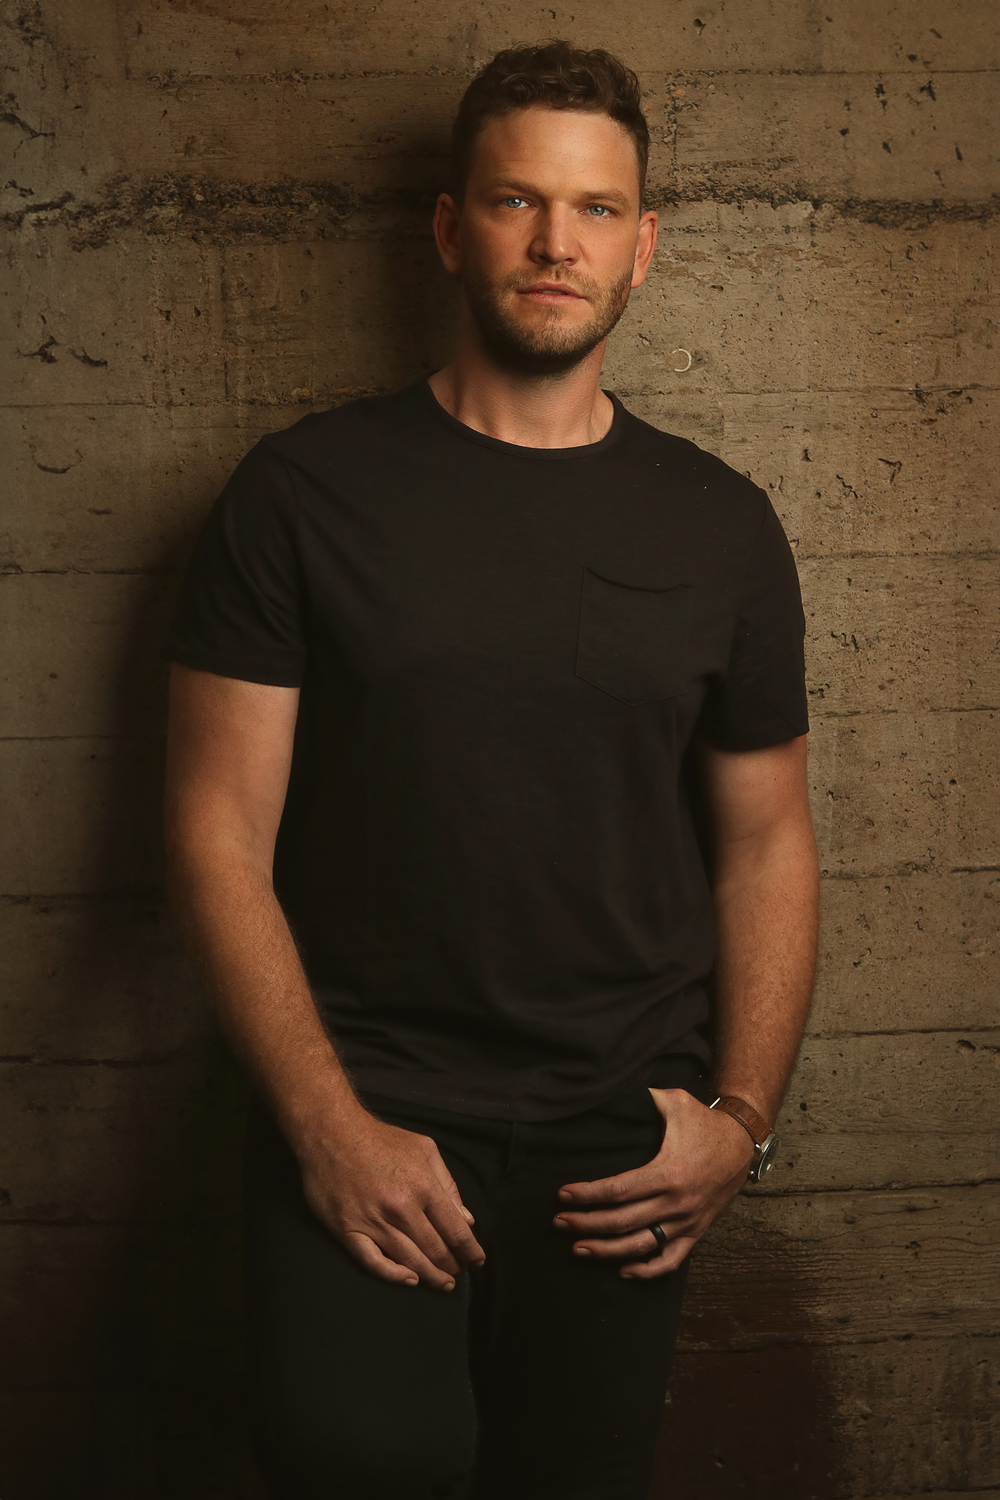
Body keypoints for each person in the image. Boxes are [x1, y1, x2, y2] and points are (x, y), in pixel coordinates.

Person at [164, 39, 819, 1500]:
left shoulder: (720, 525)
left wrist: (740, 1123)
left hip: (621, 1148)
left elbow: (767, 841)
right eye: (519, 201)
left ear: (643, 245)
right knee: (363, 1462)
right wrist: (327, 1129)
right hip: (371, 1109)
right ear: (453, 229)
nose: (555, 243)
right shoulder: (302, 495)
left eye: (595, 209)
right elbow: (214, 830)